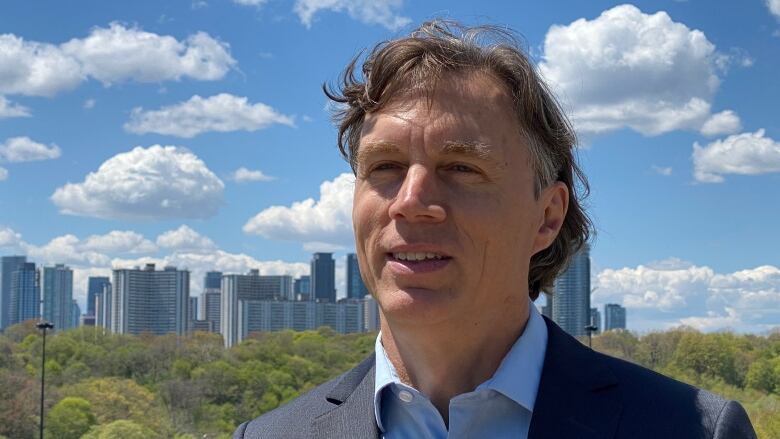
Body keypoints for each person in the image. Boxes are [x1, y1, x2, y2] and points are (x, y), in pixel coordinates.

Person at [233, 20, 757, 439]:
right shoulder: (269, 435)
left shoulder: (691, 429)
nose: (411, 203)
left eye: (462, 168)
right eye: (384, 168)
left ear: (547, 217)